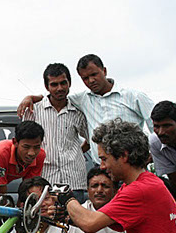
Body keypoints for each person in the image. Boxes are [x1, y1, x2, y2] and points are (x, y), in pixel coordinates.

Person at [18, 54, 155, 166]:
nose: (91, 81)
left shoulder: (134, 97)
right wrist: (31, 97)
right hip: (101, 170)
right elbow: (56, 97)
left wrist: (153, 155)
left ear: (104, 71)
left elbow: (157, 126)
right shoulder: (82, 99)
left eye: (94, 74)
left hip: (131, 167)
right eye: (85, 78)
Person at [22, 63, 89, 202]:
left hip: (74, 182)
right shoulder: (34, 110)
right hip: (44, 182)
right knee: (46, 222)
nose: (60, 88)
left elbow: (91, 140)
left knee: (76, 222)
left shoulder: (78, 111)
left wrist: (75, 154)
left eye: (63, 83)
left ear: (69, 83)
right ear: (47, 87)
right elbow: (24, 143)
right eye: (54, 84)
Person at [0, 120, 45, 195]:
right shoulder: (0, 153)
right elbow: (0, 190)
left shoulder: (40, 155)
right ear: (15, 142)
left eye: (36, 147)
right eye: (26, 147)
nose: (31, 153)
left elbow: (29, 186)